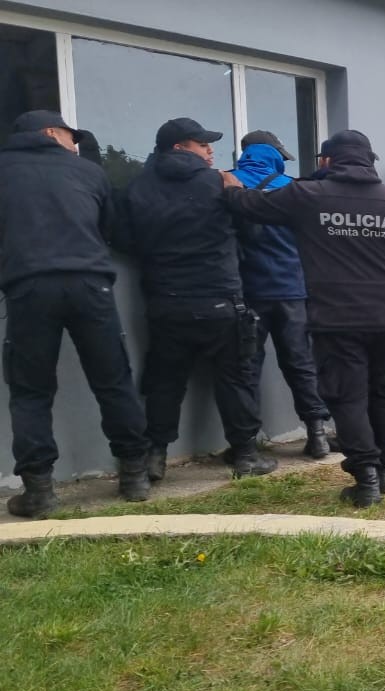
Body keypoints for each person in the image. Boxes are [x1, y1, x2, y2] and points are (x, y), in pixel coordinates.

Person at [221, 130, 385, 507]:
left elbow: (251, 207)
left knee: (347, 397)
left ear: (328, 161)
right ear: (370, 161)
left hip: (338, 319)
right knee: (383, 392)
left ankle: (365, 477)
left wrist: (231, 186)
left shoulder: (306, 196)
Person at [0, 110, 150, 516]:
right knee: (113, 380)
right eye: (72, 136)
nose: (76, 144)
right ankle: (134, 477)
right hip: (90, 284)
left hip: (29, 286)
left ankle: (39, 493)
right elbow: (111, 229)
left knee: (30, 391)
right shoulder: (88, 173)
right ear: (50, 132)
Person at [117, 118, 276, 484]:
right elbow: (252, 232)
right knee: (234, 377)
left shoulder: (136, 188)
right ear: (179, 147)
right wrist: (237, 195)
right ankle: (247, 456)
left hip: (165, 301)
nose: (210, 150)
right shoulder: (218, 182)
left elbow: (125, 240)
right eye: (202, 144)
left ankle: (155, 456)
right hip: (220, 299)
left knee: (164, 381)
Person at [231, 130, 330, 460]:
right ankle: (316, 434)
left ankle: (245, 445)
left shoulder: (227, 183)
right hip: (292, 291)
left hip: (247, 294)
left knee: (245, 367)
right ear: (273, 154)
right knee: (301, 363)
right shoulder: (295, 189)